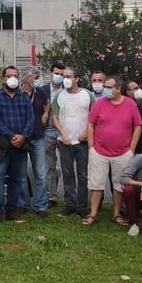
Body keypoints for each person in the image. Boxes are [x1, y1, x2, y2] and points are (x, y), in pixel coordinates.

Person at [83, 76, 142, 227]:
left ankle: (116, 214)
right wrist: (91, 146)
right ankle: (93, 213)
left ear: (118, 89)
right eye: (106, 86)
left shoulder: (130, 104)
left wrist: (131, 149)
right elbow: (91, 124)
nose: (106, 89)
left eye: (110, 87)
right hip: (99, 151)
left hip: (123, 153)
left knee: (119, 185)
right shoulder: (100, 103)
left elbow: (138, 126)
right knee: (96, 184)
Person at [0, 66, 34, 225]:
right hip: (1, 145)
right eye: (9, 76)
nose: (12, 78)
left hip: (20, 145)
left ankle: (12, 210)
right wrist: (12, 136)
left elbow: (30, 120)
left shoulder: (24, 98)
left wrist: (23, 136)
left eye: (15, 76)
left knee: (18, 178)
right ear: (3, 79)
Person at [53, 68, 91, 218]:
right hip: (64, 142)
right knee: (68, 175)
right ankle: (70, 205)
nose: (65, 79)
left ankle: (82, 207)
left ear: (77, 79)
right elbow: (54, 117)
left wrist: (86, 133)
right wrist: (63, 134)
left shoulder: (87, 95)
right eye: (64, 76)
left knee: (83, 175)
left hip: (82, 142)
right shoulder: (59, 96)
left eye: (68, 76)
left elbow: (94, 116)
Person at [18, 67, 49, 217]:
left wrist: (46, 114)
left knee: (41, 174)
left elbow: (47, 103)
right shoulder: (17, 93)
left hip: (38, 137)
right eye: (35, 77)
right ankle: (22, 204)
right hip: (22, 138)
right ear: (26, 79)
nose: (38, 79)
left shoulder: (40, 93)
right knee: (21, 174)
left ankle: (40, 205)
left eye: (38, 77)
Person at [40, 62, 65, 208]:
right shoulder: (42, 90)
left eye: (62, 74)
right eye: (56, 73)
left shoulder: (68, 90)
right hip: (47, 129)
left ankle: (70, 198)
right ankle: (52, 196)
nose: (59, 77)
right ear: (51, 74)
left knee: (67, 164)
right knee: (49, 164)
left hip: (63, 129)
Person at [125, 80, 142, 155]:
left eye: (138, 88)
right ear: (128, 92)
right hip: (125, 146)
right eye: (135, 88)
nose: (139, 90)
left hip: (140, 145)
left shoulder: (141, 108)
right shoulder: (122, 108)